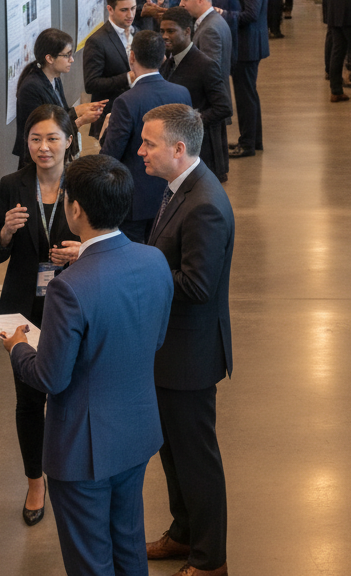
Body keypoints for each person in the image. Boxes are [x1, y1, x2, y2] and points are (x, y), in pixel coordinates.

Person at [0, 154, 173, 576]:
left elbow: (50, 377)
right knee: (129, 546)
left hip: (83, 447)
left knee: (90, 561)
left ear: (75, 209)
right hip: (137, 432)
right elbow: (157, 337)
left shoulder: (70, 288)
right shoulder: (154, 261)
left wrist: (19, 347)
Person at [138, 104, 236, 576]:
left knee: (196, 459)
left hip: (190, 357)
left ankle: (209, 558)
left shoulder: (205, 205)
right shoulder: (181, 187)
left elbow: (197, 286)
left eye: (149, 144)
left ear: (179, 149)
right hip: (168, 352)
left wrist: (139, 270)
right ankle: (182, 533)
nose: (141, 151)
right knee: (172, 451)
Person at [0, 104, 82, 527]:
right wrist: (6, 230)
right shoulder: (12, 184)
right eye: (35, 139)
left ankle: (69, 472)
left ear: (69, 141)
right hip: (22, 308)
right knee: (29, 400)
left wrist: (81, 252)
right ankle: (34, 480)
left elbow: (107, 238)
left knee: (71, 391)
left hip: (72, 303)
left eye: (52, 139)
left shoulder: (83, 180)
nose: (44, 148)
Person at [99, 31, 191, 243]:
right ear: (163, 58)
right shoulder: (181, 94)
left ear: (132, 57)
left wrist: (104, 134)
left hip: (136, 202)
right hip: (172, 195)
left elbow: (110, 156)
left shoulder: (125, 101)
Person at [11, 28, 106, 166]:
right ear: (49, 58)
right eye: (67, 55)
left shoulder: (54, 78)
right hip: (38, 161)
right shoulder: (31, 88)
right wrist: (80, 120)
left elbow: (60, 113)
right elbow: (45, 130)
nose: (72, 60)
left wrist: (80, 110)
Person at [160, 7, 232, 181]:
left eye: (171, 31)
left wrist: (191, 121)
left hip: (201, 152)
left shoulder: (205, 65)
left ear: (187, 32)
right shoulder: (168, 62)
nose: (164, 36)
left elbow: (223, 107)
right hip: (179, 151)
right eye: (162, 31)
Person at [225, 0, 269, 159]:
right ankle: (253, 140)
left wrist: (224, 14)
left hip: (247, 48)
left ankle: (247, 144)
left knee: (245, 98)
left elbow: (250, 15)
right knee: (249, 95)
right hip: (249, 47)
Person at [83, 0, 138, 137]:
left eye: (133, 8)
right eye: (124, 10)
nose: (130, 14)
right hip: (111, 116)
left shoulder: (138, 33)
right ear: (110, 9)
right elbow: (91, 84)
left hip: (137, 111)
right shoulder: (97, 41)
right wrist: (128, 77)